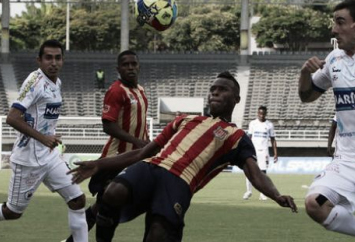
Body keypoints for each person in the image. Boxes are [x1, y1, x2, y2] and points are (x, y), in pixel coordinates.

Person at [69, 71, 297, 242]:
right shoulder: (185, 119)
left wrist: (277, 195)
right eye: (213, 89)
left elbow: (255, 175)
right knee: (113, 192)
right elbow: (143, 152)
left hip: (180, 181)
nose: (215, 92)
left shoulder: (238, 137)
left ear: (237, 99)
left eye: (223, 89)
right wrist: (99, 164)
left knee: (158, 235)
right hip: (152, 166)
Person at [299, 0, 355, 241]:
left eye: (339, 22)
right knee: (316, 204)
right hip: (345, 161)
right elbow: (307, 96)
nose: (333, 29)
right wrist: (305, 73)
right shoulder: (334, 59)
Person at [0, 40, 88, 242]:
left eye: (58, 57)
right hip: (28, 160)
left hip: (49, 157)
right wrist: (44, 138)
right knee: (14, 212)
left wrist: (50, 140)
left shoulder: (56, 82)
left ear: (63, 60)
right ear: (39, 60)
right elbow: (12, 118)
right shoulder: (35, 82)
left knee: (77, 200)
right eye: (48, 57)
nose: (54, 62)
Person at [64, 50, 150, 242]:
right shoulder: (116, 90)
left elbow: (140, 123)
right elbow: (108, 124)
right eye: (125, 64)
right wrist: (136, 142)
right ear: (118, 68)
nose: (130, 67)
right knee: (107, 210)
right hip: (115, 160)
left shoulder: (141, 90)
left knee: (101, 207)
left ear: (138, 66)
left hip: (135, 159)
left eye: (133, 64)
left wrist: (146, 143)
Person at [327, 114, 355, 217]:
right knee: (339, 179)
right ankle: (347, 205)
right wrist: (329, 145)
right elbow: (333, 128)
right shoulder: (341, 112)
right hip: (342, 154)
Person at [243, 105, 278, 201]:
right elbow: (248, 138)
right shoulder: (253, 123)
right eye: (260, 113)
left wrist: (275, 153)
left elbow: (273, 139)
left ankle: (262, 194)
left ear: (265, 114)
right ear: (258, 113)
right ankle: (248, 191)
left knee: (263, 173)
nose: (261, 115)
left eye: (263, 114)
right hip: (253, 151)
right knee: (249, 170)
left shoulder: (269, 125)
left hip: (264, 151)